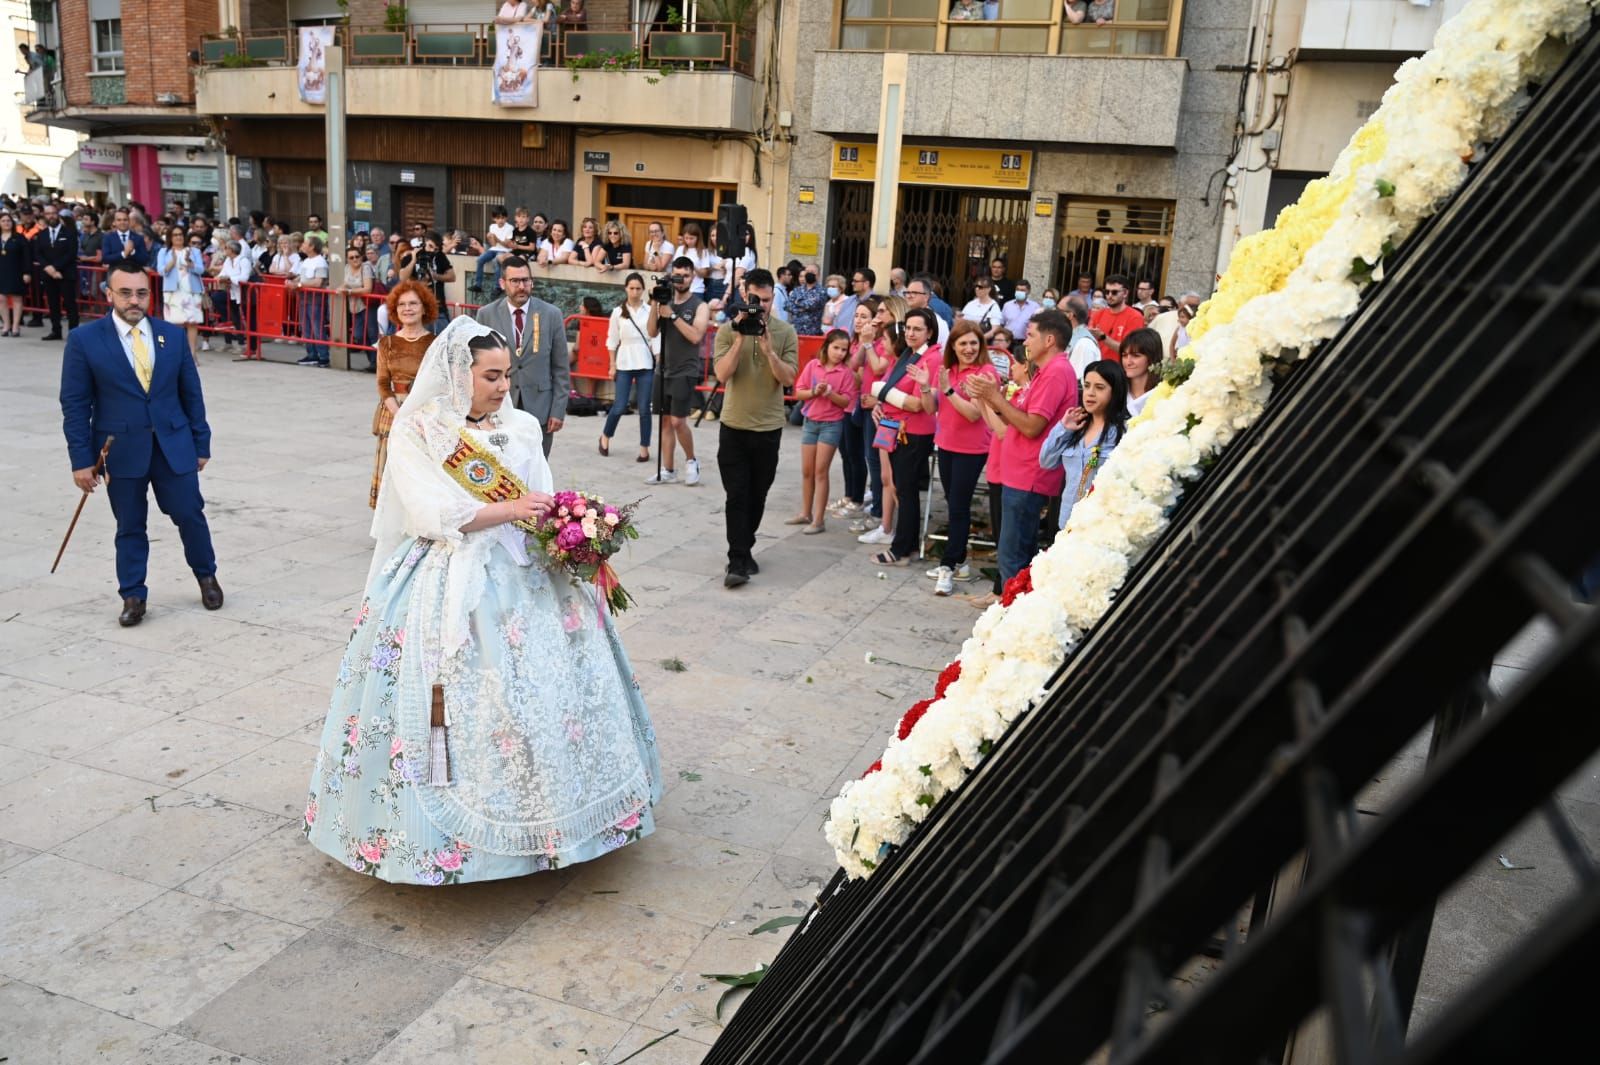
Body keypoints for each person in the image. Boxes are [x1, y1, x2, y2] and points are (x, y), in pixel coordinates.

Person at [303, 317, 661, 885]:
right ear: (456, 374)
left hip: (528, 571)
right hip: (450, 574)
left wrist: (575, 527)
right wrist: (509, 511)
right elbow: (429, 513)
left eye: (507, 374)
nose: (501, 386)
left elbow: (539, 488)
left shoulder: (519, 426)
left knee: (542, 694)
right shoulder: (420, 431)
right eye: (490, 376)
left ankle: (555, 820)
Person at [59, 260, 221, 627]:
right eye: (126, 293)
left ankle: (206, 576)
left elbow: (191, 394)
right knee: (130, 525)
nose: (135, 300)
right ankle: (133, 595)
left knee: (190, 515)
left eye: (142, 293)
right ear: (109, 294)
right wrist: (81, 461)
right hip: (121, 449)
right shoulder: (85, 341)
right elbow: (74, 404)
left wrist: (201, 442)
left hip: (173, 446)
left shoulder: (172, 336)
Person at [964, 308, 1079, 584]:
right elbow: (1014, 416)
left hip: (1029, 476)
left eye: (1030, 335)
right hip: (1019, 474)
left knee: (1012, 559)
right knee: (1015, 555)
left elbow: (1031, 426)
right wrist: (991, 397)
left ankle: (1010, 618)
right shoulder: (1045, 372)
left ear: (1049, 340)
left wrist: (993, 397)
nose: (1024, 342)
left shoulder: (1056, 372)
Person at [713, 268, 798, 586]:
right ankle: (737, 561)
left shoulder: (786, 332)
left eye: (765, 300)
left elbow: (789, 380)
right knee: (736, 494)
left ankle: (744, 549)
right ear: (743, 295)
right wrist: (739, 339)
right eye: (753, 299)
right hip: (734, 425)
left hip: (768, 428)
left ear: (773, 298)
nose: (759, 306)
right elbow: (722, 374)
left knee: (757, 495)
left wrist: (768, 350)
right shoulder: (726, 331)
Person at [927, 319, 1001, 595]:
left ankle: (947, 566)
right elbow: (931, 406)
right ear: (953, 347)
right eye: (963, 343)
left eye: (974, 343)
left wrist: (947, 390)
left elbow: (972, 413)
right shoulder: (949, 370)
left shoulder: (987, 372)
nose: (969, 348)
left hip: (973, 448)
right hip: (945, 443)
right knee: (953, 503)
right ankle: (960, 561)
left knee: (958, 506)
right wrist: (926, 387)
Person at [867, 307, 942, 567]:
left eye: (917, 329)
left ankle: (900, 549)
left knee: (906, 490)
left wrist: (884, 397)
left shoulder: (932, 358)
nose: (911, 333)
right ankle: (906, 545)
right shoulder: (909, 354)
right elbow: (884, 388)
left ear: (929, 332)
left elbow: (917, 404)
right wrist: (882, 402)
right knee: (903, 488)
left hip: (914, 432)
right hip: (895, 427)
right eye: (908, 328)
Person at [472, 255, 568, 456]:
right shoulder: (486, 314)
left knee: (536, 470)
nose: (521, 286)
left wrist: (558, 410)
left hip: (540, 408)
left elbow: (560, 368)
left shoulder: (551, 314)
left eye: (526, 280)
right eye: (515, 281)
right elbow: (476, 366)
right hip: (498, 407)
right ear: (502, 283)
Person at [1040, 359, 1129, 531]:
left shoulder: (1124, 431)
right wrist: (1063, 428)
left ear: (1115, 392)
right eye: (1087, 386)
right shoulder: (1075, 427)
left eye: (1099, 387)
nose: (1090, 393)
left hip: (1101, 525)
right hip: (1067, 523)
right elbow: (1046, 461)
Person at [370, 281, 437, 508]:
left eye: (413, 304)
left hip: (426, 414)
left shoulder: (436, 343)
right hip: (393, 412)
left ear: (424, 308)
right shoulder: (387, 343)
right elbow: (382, 383)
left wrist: (419, 414)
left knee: (421, 469)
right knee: (393, 467)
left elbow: (440, 384)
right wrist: (400, 413)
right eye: (402, 304)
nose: (407, 309)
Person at [645, 256, 710, 485]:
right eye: (677, 275)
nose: (680, 280)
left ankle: (691, 460)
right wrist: (655, 303)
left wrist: (672, 315)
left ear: (692, 277)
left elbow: (695, 336)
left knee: (678, 421)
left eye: (685, 275)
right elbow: (652, 332)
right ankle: (668, 469)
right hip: (663, 369)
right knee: (664, 421)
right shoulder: (665, 301)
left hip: (686, 369)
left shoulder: (700, 305)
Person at [787, 328, 857, 533]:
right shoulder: (813, 366)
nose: (839, 353)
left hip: (831, 424)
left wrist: (830, 393)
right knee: (807, 471)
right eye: (836, 348)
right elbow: (799, 392)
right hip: (811, 422)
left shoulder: (845, 373)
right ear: (827, 347)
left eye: (844, 350)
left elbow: (846, 401)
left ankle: (818, 520)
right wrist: (814, 392)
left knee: (821, 471)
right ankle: (805, 512)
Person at [855, 295, 906, 545]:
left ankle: (891, 525)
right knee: (881, 471)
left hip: (892, 419)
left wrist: (867, 344)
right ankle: (885, 524)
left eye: (883, 311)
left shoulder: (899, 354)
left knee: (889, 475)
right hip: (880, 415)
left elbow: (878, 371)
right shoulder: (886, 344)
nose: (878, 315)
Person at [601, 272, 658, 462]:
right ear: (626, 288)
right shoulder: (618, 312)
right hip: (624, 361)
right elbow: (612, 339)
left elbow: (654, 336)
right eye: (631, 288)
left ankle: (644, 447)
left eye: (638, 288)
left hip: (645, 361)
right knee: (619, 406)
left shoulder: (650, 309)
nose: (634, 292)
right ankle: (605, 436)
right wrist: (612, 364)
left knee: (644, 408)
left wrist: (658, 361)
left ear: (643, 290)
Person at [31, 202, 78, 339]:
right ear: (44, 216)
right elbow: (38, 254)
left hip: (66, 273)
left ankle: (74, 333)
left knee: (70, 304)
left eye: (53, 213)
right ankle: (56, 330)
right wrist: (49, 269)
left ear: (57, 215)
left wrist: (56, 267)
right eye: (48, 213)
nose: (51, 216)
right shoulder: (42, 234)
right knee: (53, 304)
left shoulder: (69, 232)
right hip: (48, 274)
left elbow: (71, 253)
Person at [156, 228, 206, 357]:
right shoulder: (164, 251)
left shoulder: (194, 251)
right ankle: (176, 354)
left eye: (180, 234)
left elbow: (201, 270)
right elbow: (161, 271)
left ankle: (192, 354)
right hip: (173, 291)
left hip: (191, 290)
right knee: (174, 323)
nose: (178, 237)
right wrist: (172, 261)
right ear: (170, 237)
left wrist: (190, 263)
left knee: (192, 323)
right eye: (175, 235)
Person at [209, 239, 258, 359]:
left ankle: (253, 348)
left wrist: (229, 278)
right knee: (235, 317)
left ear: (231, 250)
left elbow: (244, 277)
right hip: (233, 293)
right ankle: (241, 343)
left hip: (246, 294)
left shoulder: (243, 261)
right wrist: (221, 278)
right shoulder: (227, 261)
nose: (224, 250)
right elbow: (222, 274)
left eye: (226, 248)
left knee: (250, 320)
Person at [290, 235, 331, 366]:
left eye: (305, 243)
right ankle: (311, 354)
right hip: (304, 298)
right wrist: (293, 282)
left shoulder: (320, 262)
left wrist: (299, 285)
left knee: (317, 328)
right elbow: (301, 278)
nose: (302, 245)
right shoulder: (306, 261)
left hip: (315, 299)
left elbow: (318, 282)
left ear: (312, 246)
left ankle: (323, 356)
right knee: (306, 328)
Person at [400, 231, 455, 330]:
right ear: (424, 243)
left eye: (435, 249)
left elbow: (452, 276)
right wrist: (413, 260)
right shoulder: (410, 257)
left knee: (443, 340)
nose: (432, 250)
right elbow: (402, 278)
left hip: (438, 308)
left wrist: (435, 276)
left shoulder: (439, 256)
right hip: (417, 309)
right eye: (430, 246)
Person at [1089, 274, 1146, 362]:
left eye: (1114, 292)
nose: (1109, 295)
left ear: (1125, 293)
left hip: (1119, 370)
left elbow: (1128, 350)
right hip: (1097, 365)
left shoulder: (1135, 317)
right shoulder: (1098, 314)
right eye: (1107, 292)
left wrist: (1103, 337)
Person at [342, 240, 378, 360]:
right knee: (359, 335)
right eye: (351, 257)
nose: (355, 259)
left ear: (361, 257)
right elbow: (345, 283)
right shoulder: (347, 268)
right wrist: (341, 288)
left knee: (372, 334)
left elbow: (367, 289)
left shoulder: (366, 267)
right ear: (347, 259)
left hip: (368, 305)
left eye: (357, 256)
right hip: (354, 306)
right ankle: (372, 360)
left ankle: (376, 363)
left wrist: (350, 292)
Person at [0, 211, 31, 336]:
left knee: (17, 298)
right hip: (1, 272)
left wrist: (27, 272)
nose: (6, 223)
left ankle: (15, 326)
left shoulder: (19, 237)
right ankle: (6, 325)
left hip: (16, 271)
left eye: (8, 221)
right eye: (3, 221)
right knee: (1, 299)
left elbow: (27, 256)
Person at [1119, 327, 1162, 417]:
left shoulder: (1163, 393)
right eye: (1124, 355)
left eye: (1136, 356)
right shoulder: (1116, 391)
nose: (1128, 362)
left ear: (1151, 357)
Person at [473, 205, 513, 290]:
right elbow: (494, 245)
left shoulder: (510, 227)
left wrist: (496, 238)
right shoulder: (492, 227)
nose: (500, 220)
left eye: (503, 218)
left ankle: (497, 287)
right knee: (480, 260)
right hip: (494, 249)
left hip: (504, 250)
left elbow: (507, 245)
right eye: (498, 218)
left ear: (506, 218)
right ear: (494, 219)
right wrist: (489, 238)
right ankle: (478, 284)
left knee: (496, 261)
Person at [903, 275, 951, 346]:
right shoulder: (911, 316)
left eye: (914, 293)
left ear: (926, 297)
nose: (909, 296)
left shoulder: (935, 320)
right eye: (907, 293)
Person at [101, 207, 151, 276]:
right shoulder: (108, 238)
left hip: (134, 276)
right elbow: (105, 258)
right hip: (115, 276)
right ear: (114, 222)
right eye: (119, 220)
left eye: (125, 220)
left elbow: (144, 259)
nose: (122, 222)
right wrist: (123, 254)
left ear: (129, 221)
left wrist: (133, 252)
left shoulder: (138, 238)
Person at [1063, 296, 1102, 382]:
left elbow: (1079, 382)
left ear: (1070, 315)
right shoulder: (1071, 336)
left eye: (1059, 310)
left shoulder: (1084, 344)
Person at [1000, 279, 1040, 353]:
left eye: (1022, 290)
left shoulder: (1035, 307)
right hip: (1007, 342)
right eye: (1018, 289)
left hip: (1024, 343)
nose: (1019, 292)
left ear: (1028, 291)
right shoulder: (1007, 305)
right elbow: (1002, 323)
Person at [961, 277, 1004, 343]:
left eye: (980, 287)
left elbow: (995, 329)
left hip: (982, 342)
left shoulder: (994, 307)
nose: (977, 289)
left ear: (988, 289)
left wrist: (979, 339)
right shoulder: (970, 304)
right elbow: (961, 321)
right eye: (976, 286)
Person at [787, 265, 826, 337]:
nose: (809, 273)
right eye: (807, 271)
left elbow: (811, 305)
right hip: (796, 332)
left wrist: (797, 302)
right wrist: (802, 307)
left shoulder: (822, 291)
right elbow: (787, 306)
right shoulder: (797, 290)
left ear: (818, 275)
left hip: (813, 333)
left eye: (812, 272)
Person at [676, 222, 713, 294]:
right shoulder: (680, 249)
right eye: (686, 238)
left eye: (691, 238)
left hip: (696, 290)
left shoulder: (703, 251)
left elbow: (704, 274)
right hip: (681, 289)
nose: (688, 241)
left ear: (698, 238)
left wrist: (693, 266)